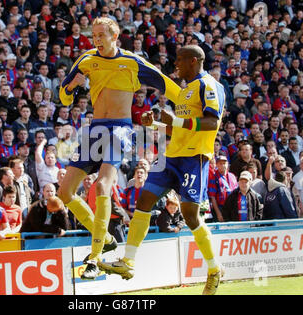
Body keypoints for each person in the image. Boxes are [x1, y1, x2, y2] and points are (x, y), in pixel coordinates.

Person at [57, 17, 180, 280]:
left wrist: (187, 102)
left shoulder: (133, 62)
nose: (97, 39)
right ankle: (106, 237)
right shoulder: (86, 60)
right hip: (95, 128)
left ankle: (95, 256)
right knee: (65, 192)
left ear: (116, 37)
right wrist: (71, 87)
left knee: (102, 186)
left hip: (120, 129)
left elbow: (165, 83)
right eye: (95, 35)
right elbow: (63, 96)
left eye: (102, 35)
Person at [101, 45, 225, 295]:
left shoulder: (209, 86)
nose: (175, 63)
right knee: (144, 200)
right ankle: (128, 261)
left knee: (190, 216)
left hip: (194, 158)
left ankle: (214, 269)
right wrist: (155, 123)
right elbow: (178, 128)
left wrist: (173, 120)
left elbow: (212, 123)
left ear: (194, 60)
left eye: (180, 59)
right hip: (172, 157)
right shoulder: (185, 91)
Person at [208, 154, 238, 222]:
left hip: (233, 207)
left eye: (224, 163)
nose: (223, 165)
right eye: (220, 163)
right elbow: (212, 197)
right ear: (217, 165)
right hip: (220, 207)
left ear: (228, 164)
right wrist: (218, 213)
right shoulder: (214, 177)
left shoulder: (232, 176)